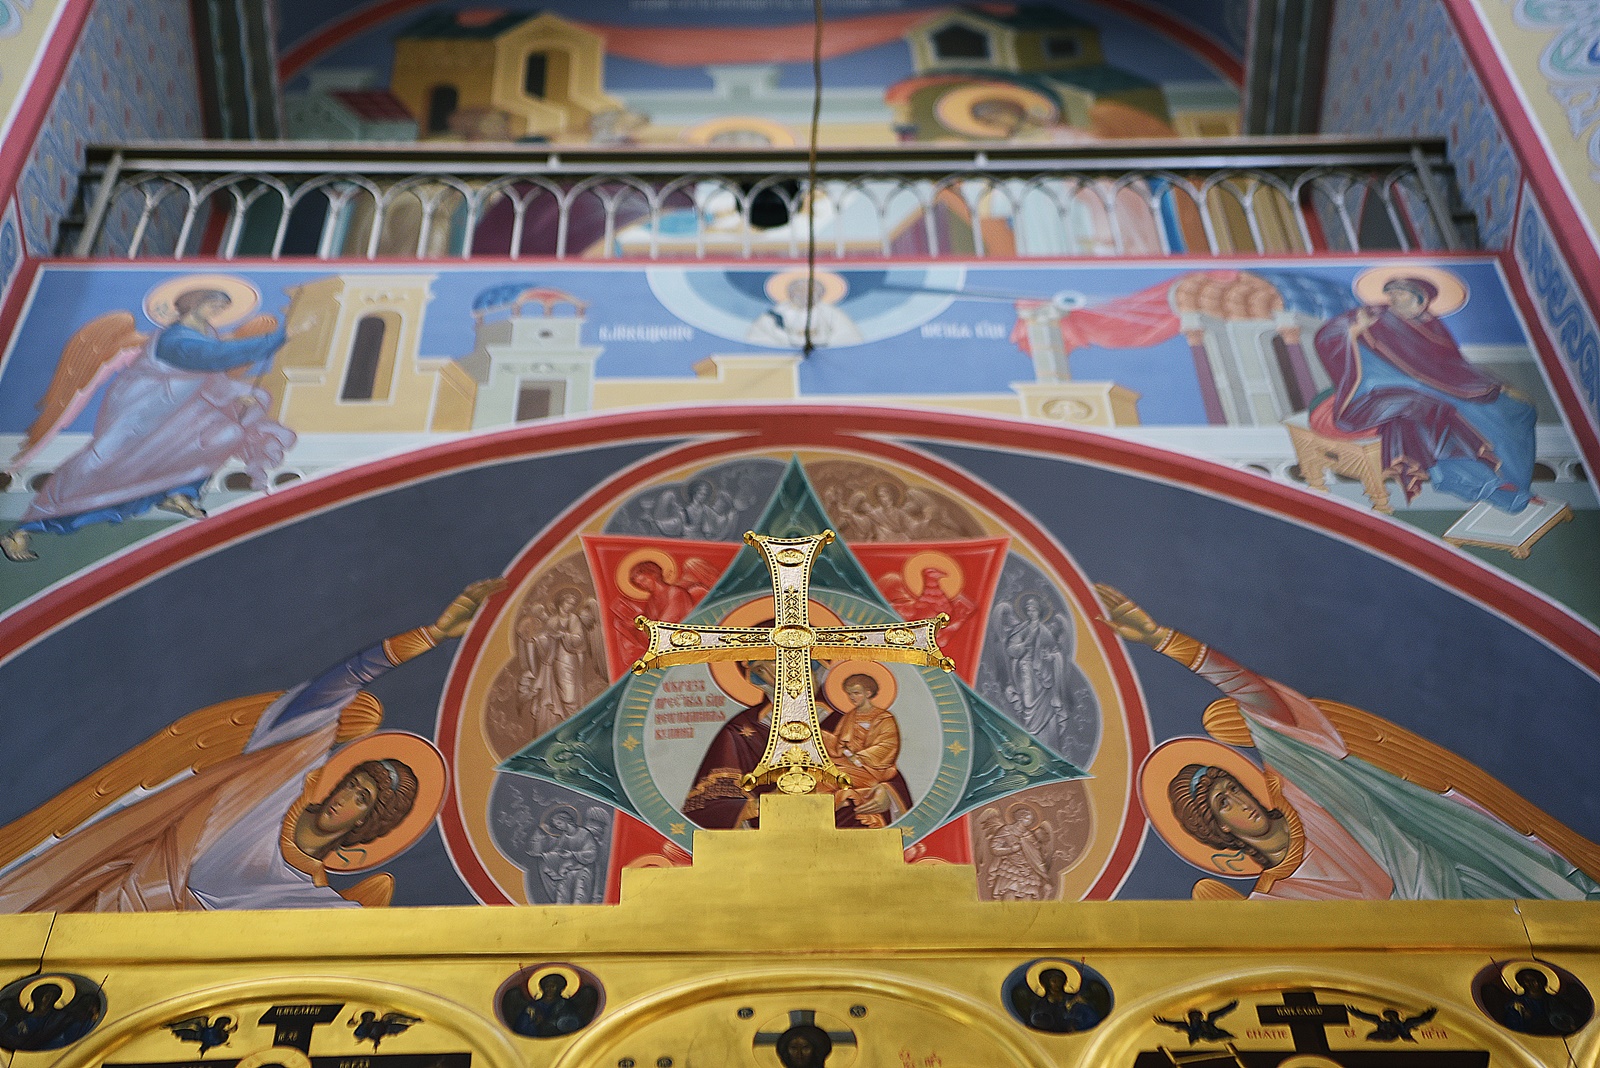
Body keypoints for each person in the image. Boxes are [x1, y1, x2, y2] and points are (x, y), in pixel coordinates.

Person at [0, 579, 505, 911]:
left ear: (366, 826)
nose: (344, 797)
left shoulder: (309, 899)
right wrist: (427, 638)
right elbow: (329, 691)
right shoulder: (276, 784)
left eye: (362, 799)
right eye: (351, 783)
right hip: (97, 906)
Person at [1096, 583, 1600, 901]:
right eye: (1223, 804)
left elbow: (1259, 699)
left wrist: (1167, 642)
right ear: (1218, 831)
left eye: (1232, 787)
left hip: (1483, 888)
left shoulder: (1305, 788)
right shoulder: (1275, 902)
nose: (1241, 800)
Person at [2, 288, 295, 562]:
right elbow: (212, 357)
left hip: (183, 410)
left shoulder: (207, 333)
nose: (217, 311)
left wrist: (234, 394)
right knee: (98, 463)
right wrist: (279, 338)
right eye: (213, 305)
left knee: (226, 433)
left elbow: (211, 375)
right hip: (143, 408)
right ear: (194, 304)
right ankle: (27, 526)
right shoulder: (174, 339)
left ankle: (178, 492)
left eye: (221, 307)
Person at [1311, 275, 1537, 512]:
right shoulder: (1374, 315)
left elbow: (1455, 365)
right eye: (1391, 293)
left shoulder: (1433, 326)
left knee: (1516, 410)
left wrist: (1497, 386)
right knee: (1432, 409)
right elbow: (1325, 336)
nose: (1393, 298)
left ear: (1420, 298)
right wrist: (1355, 329)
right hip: (1381, 386)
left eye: (1400, 293)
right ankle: (1477, 482)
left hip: (1442, 384)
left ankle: (1516, 482)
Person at [819, 673, 910, 828]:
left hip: (873, 769)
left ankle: (834, 804)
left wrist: (860, 757)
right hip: (848, 763)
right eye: (849, 693)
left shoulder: (884, 718)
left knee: (833, 777)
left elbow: (886, 746)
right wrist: (822, 736)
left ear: (868, 693)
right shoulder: (849, 716)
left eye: (856, 693)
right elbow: (838, 743)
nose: (852, 697)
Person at [745, 278, 862, 350]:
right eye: (799, 290)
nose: (804, 294)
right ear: (791, 293)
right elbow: (759, 337)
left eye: (810, 290)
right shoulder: (777, 314)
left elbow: (848, 336)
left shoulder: (830, 313)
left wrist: (822, 345)